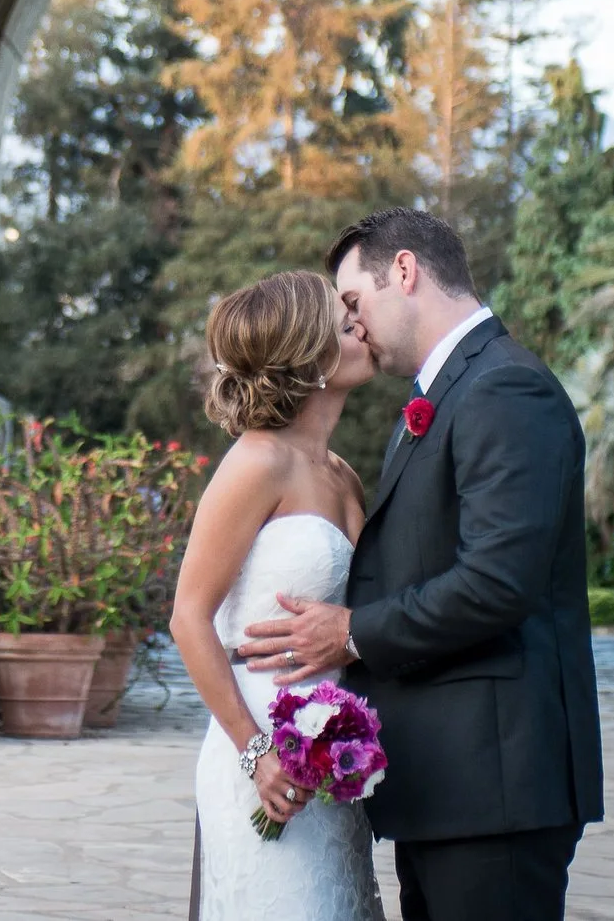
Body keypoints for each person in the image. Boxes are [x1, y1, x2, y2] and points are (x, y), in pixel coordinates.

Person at [238, 207, 603, 921]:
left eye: (352, 302)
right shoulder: (444, 395)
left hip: (495, 785)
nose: (351, 324)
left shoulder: (503, 387)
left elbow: (498, 581)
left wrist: (351, 633)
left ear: (403, 271)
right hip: (452, 784)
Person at [171, 269, 386, 921]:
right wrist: (256, 753)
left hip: (336, 752)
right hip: (263, 743)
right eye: (342, 320)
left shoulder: (342, 473)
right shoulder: (256, 462)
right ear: (307, 354)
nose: (359, 323)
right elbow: (189, 618)